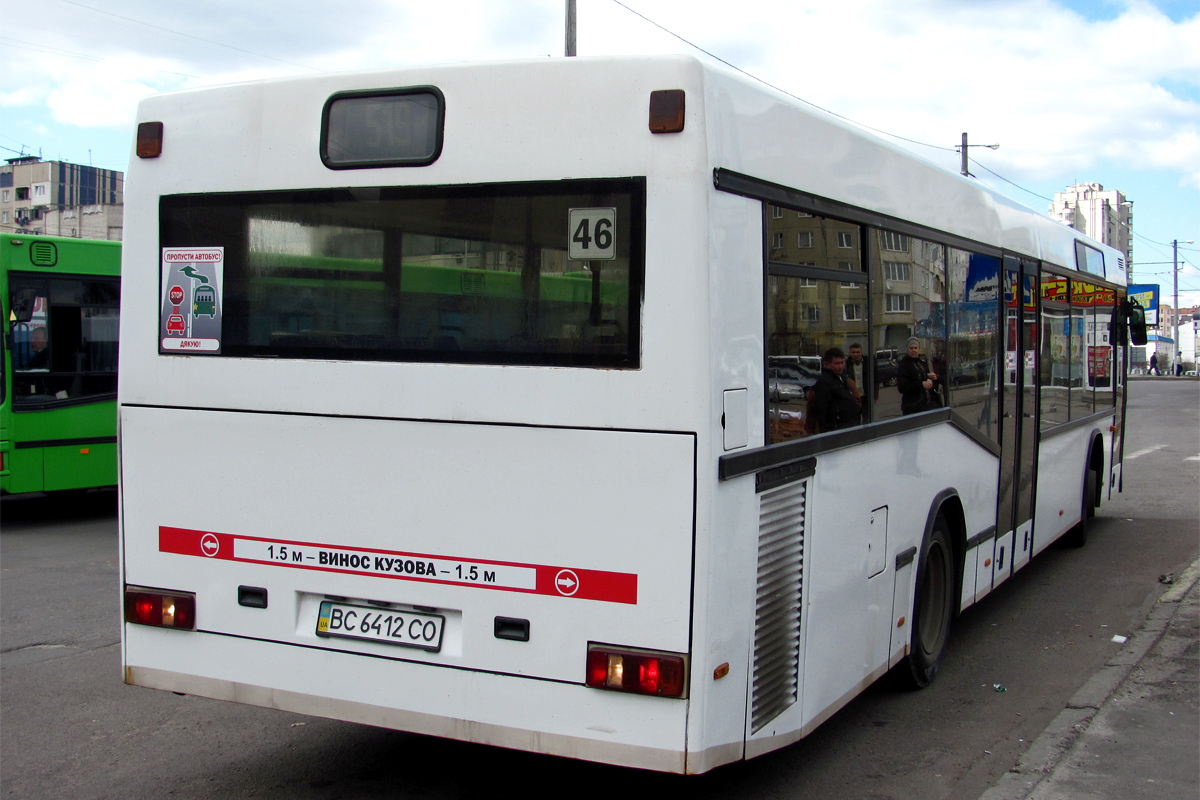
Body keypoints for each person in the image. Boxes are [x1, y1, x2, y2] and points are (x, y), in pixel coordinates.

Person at [810, 347, 860, 432]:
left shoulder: (843, 378)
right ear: (827, 364)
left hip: (848, 427)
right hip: (835, 429)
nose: (840, 366)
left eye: (842, 363)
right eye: (837, 363)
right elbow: (821, 410)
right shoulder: (824, 382)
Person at [897, 337, 940, 415]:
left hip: (926, 405)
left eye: (915, 348)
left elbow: (925, 379)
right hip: (912, 407)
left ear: (918, 349)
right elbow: (902, 387)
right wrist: (921, 384)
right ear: (907, 350)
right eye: (911, 348)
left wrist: (932, 377)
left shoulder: (922, 363)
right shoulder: (904, 365)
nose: (913, 350)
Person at [845, 342, 874, 407]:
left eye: (858, 352)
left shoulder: (868, 363)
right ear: (850, 353)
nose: (856, 354)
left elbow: (875, 379)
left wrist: (875, 395)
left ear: (861, 352)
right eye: (853, 352)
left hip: (866, 395)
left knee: (867, 415)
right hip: (853, 396)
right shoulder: (846, 364)